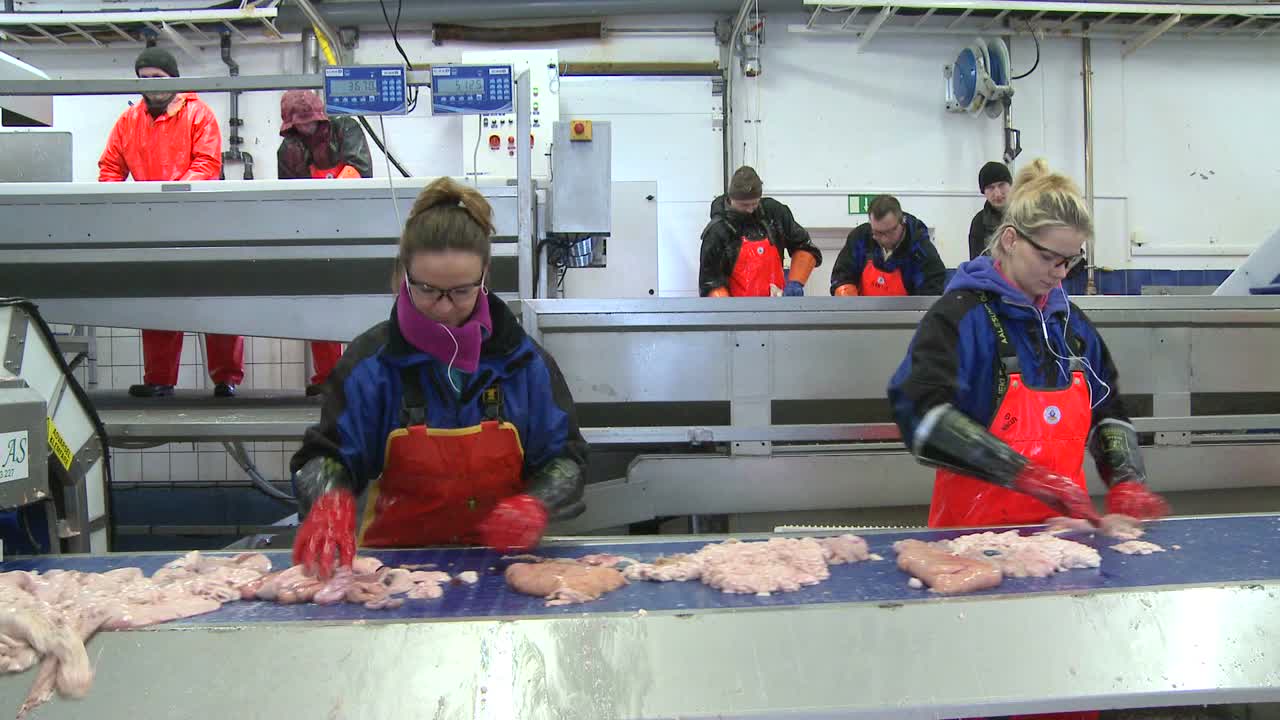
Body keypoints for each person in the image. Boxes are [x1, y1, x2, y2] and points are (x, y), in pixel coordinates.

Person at [289, 177, 587, 578]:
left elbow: (566, 459)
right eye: (428, 290)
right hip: (392, 575)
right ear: (402, 277)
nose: (444, 308)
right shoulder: (371, 366)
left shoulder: (524, 364)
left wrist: (537, 502)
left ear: (485, 280)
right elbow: (326, 457)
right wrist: (329, 497)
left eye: (461, 292)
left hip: (503, 572)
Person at [887, 158, 1169, 537]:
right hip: (973, 545)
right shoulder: (960, 316)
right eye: (1048, 257)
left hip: (1065, 541)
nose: (1060, 273)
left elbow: (1108, 407)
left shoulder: (1071, 326)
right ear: (1010, 239)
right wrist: (1024, 474)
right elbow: (919, 412)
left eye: (1070, 261)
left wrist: (1126, 477)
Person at [99, 47, 244, 399]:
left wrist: (171, 201)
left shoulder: (199, 115)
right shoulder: (127, 122)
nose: (151, 85)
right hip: (151, 226)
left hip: (202, 223)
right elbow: (110, 169)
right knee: (158, 300)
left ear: (174, 79)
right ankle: (159, 379)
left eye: (158, 78)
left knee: (216, 302)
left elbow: (206, 166)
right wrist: (116, 206)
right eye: (144, 78)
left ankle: (227, 379)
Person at [276, 89, 374, 395]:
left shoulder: (347, 127)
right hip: (313, 234)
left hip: (356, 228)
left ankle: (362, 377)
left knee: (358, 308)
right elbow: (291, 199)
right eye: (298, 124)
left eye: (310, 122)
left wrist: (330, 191)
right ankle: (328, 376)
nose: (305, 128)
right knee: (319, 306)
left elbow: (360, 170)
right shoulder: (288, 148)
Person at [699, 166, 821, 297]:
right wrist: (729, 311)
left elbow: (805, 247)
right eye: (744, 205)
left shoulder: (774, 213)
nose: (750, 209)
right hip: (738, 311)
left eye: (754, 203)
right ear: (731, 199)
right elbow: (711, 283)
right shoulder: (717, 231)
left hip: (777, 306)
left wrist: (795, 283)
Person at [829, 195, 946, 297]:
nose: (883, 238)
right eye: (877, 233)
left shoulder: (921, 251)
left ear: (902, 222)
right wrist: (849, 304)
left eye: (889, 232)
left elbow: (932, 294)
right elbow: (841, 277)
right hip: (862, 317)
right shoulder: (860, 238)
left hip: (906, 319)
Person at [968, 161, 1012, 261]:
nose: (997, 194)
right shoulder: (979, 222)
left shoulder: (1026, 215)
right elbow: (977, 264)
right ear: (984, 192)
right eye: (990, 188)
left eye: (1001, 185)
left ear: (1010, 185)